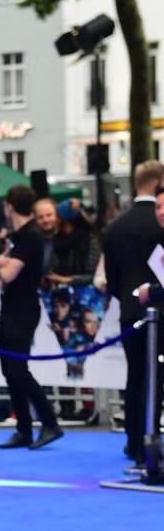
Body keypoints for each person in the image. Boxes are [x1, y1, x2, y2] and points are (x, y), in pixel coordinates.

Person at [0, 184, 63, 450]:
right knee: (10, 370)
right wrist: (2, 263)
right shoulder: (20, 235)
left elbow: (7, 273)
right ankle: (24, 429)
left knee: (18, 369)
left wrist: (0, 264)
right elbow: (5, 265)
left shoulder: (29, 236)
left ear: (9, 206)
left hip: (23, 308)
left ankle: (50, 422)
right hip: (11, 307)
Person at [104, 160, 164, 465]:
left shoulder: (116, 226)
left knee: (135, 378)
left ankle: (134, 442)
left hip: (131, 312)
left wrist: (130, 299)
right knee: (157, 380)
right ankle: (152, 441)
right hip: (160, 311)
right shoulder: (159, 223)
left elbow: (111, 278)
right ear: (158, 184)